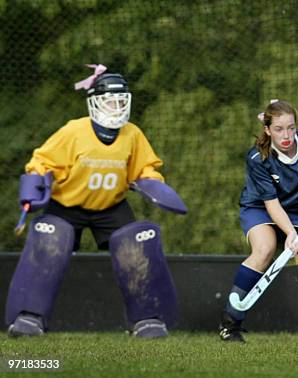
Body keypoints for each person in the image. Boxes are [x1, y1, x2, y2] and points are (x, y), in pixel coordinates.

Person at [5, 64, 187, 339]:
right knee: (47, 243)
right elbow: (43, 161)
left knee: (137, 246)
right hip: (67, 205)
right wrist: (36, 181)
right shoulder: (73, 131)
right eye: (109, 101)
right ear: (94, 103)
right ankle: (29, 317)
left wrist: (152, 183)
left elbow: (144, 168)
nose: (116, 107)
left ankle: (147, 319)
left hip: (110, 207)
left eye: (120, 101)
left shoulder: (132, 134)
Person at [219, 99, 298, 344]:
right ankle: (230, 324)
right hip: (262, 209)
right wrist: (289, 233)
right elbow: (272, 204)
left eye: (291, 127)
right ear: (268, 130)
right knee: (265, 248)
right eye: (279, 129)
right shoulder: (258, 158)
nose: (286, 135)